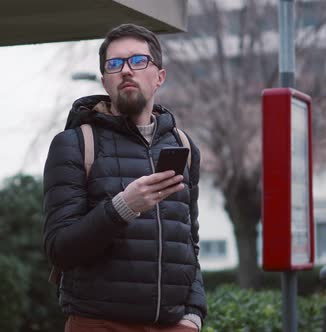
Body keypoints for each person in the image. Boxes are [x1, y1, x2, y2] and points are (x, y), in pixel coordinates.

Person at [43, 23, 207, 332]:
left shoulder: (183, 146)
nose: (126, 70)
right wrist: (124, 206)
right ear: (105, 80)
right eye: (115, 64)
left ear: (159, 77)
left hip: (173, 325)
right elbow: (59, 250)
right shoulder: (75, 144)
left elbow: (190, 243)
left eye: (138, 60)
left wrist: (194, 315)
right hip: (98, 323)